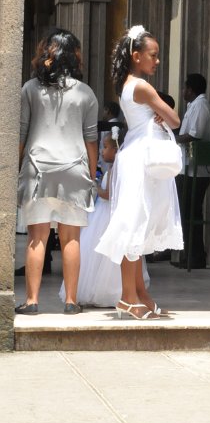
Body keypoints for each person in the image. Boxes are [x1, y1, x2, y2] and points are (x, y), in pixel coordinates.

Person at [95, 25, 183, 320]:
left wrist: (159, 113)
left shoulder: (127, 84)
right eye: (153, 55)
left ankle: (140, 295)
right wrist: (163, 113)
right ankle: (127, 297)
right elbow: (175, 120)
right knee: (133, 226)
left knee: (138, 225)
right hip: (142, 158)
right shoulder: (142, 87)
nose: (157, 61)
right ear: (136, 56)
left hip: (137, 153)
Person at [16, 29, 98, 315]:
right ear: (74, 56)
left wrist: (16, 168)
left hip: (37, 168)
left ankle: (31, 301)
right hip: (74, 168)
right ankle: (71, 302)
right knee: (70, 237)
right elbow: (91, 140)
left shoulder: (30, 88)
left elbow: (21, 135)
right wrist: (92, 175)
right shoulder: (85, 93)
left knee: (37, 237)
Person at [59, 129, 150, 307]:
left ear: (116, 150)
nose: (102, 151)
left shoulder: (116, 168)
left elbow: (109, 194)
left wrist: (95, 188)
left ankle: (106, 290)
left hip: (107, 214)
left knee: (101, 253)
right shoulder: (117, 167)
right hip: (105, 212)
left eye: (106, 147)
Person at [175, 73, 210, 269]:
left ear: (190, 89)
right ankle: (189, 254)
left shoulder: (200, 105)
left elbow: (194, 135)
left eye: (185, 88)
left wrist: (174, 138)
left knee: (192, 212)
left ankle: (196, 256)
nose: (183, 91)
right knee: (187, 212)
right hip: (188, 168)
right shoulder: (193, 106)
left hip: (198, 169)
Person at [97, 100, 121, 175]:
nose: (103, 113)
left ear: (108, 111)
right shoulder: (117, 124)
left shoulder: (109, 126)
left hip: (107, 163)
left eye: (104, 110)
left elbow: (106, 145)